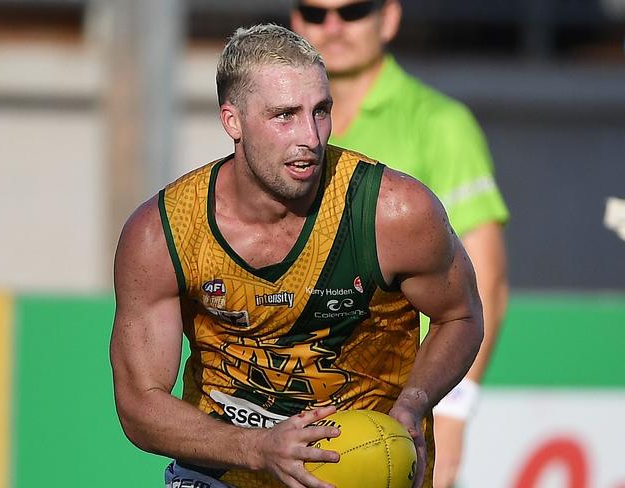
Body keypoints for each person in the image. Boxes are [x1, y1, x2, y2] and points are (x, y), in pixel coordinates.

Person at [110, 24, 483, 488]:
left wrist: (414, 401)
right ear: (233, 121)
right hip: (224, 470)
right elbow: (138, 404)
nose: (309, 135)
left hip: (360, 471)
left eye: (321, 111)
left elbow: (461, 317)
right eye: (284, 115)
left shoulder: (394, 212)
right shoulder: (162, 234)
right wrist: (256, 448)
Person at [290, 1, 509, 486]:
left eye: (353, 11)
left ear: (388, 18)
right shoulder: (278, 129)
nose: (332, 27)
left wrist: (451, 408)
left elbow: (485, 281)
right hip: (294, 414)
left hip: (394, 417)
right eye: (315, 12)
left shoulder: (439, 124)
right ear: (295, 21)